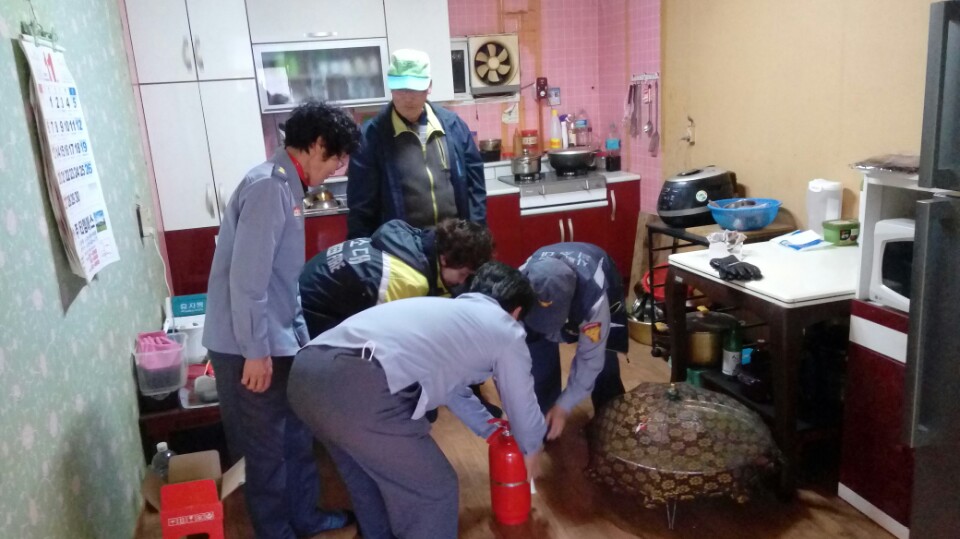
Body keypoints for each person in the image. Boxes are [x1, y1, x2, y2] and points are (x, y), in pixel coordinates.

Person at [287, 261, 546, 539]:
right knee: (434, 491)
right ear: (516, 312)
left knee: (368, 478)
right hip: (359, 384)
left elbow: (452, 388)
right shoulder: (505, 330)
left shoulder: (444, 312)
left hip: (305, 377)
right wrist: (531, 447)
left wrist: (488, 428)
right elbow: (521, 400)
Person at [201, 100, 360, 538]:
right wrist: (256, 352)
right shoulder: (269, 188)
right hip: (246, 347)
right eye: (337, 158)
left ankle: (305, 518)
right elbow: (247, 281)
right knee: (266, 450)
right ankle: (277, 532)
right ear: (317, 145)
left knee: (295, 436)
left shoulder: (289, 187)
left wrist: (300, 339)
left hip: (275, 338)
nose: (338, 168)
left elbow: (282, 279)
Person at [346, 48, 486, 239]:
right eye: (401, 89)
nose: (408, 97)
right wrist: (362, 248)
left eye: (415, 89)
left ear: (429, 86)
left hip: (453, 242)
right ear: (391, 88)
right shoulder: (370, 136)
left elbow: (475, 186)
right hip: (401, 245)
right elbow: (361, 207)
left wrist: (476, 233)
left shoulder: (454, 126)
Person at [299, 217, 493, 338]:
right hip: (311, 315)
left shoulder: (411, 242)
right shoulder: (409, 280)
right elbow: (386, 340)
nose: (461, 282)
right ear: (445, 258)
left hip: (303, 290)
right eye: (462, 274)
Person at [520, 242, 629, 441]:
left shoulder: (593, 300)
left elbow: (591, 358)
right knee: (539, 363)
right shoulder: (518, 286)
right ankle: (544, 419)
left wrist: (565, 405)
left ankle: (611, 418)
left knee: (604, 360)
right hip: (541, 288)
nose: (551, 333)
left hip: (598, 267)